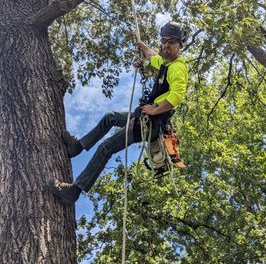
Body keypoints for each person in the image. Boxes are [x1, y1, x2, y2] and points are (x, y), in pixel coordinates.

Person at [50, 21, 189, 205]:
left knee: (105, 148)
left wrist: (155, 109)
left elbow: (176, 97)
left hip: (149, 125)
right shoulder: (164, 63)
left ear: (179, 44)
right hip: (142, 116)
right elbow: (152, 56)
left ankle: (74, 191)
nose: (166, 45)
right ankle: (77, 147)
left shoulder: (178, 67)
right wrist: (143, 47)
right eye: (164, 41)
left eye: (171, 42)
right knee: (110, 117)